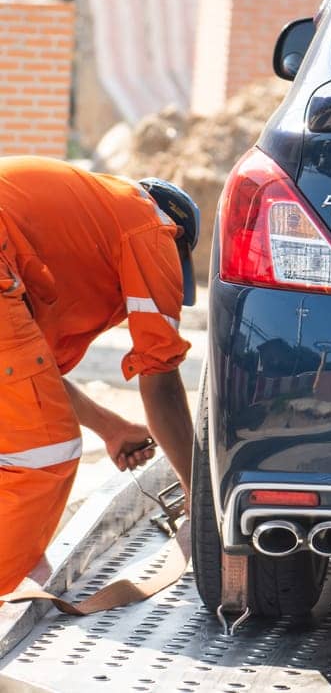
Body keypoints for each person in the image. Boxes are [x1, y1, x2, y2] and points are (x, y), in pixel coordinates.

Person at [0, 158, 199, 594]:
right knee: (45, 452)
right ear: (178, 238)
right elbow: (160, 378)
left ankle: (18, 566)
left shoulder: (73, 227)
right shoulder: (151, 226)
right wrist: (198, 499)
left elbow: (35, 378)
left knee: (19, 438)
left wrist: (111, 429)